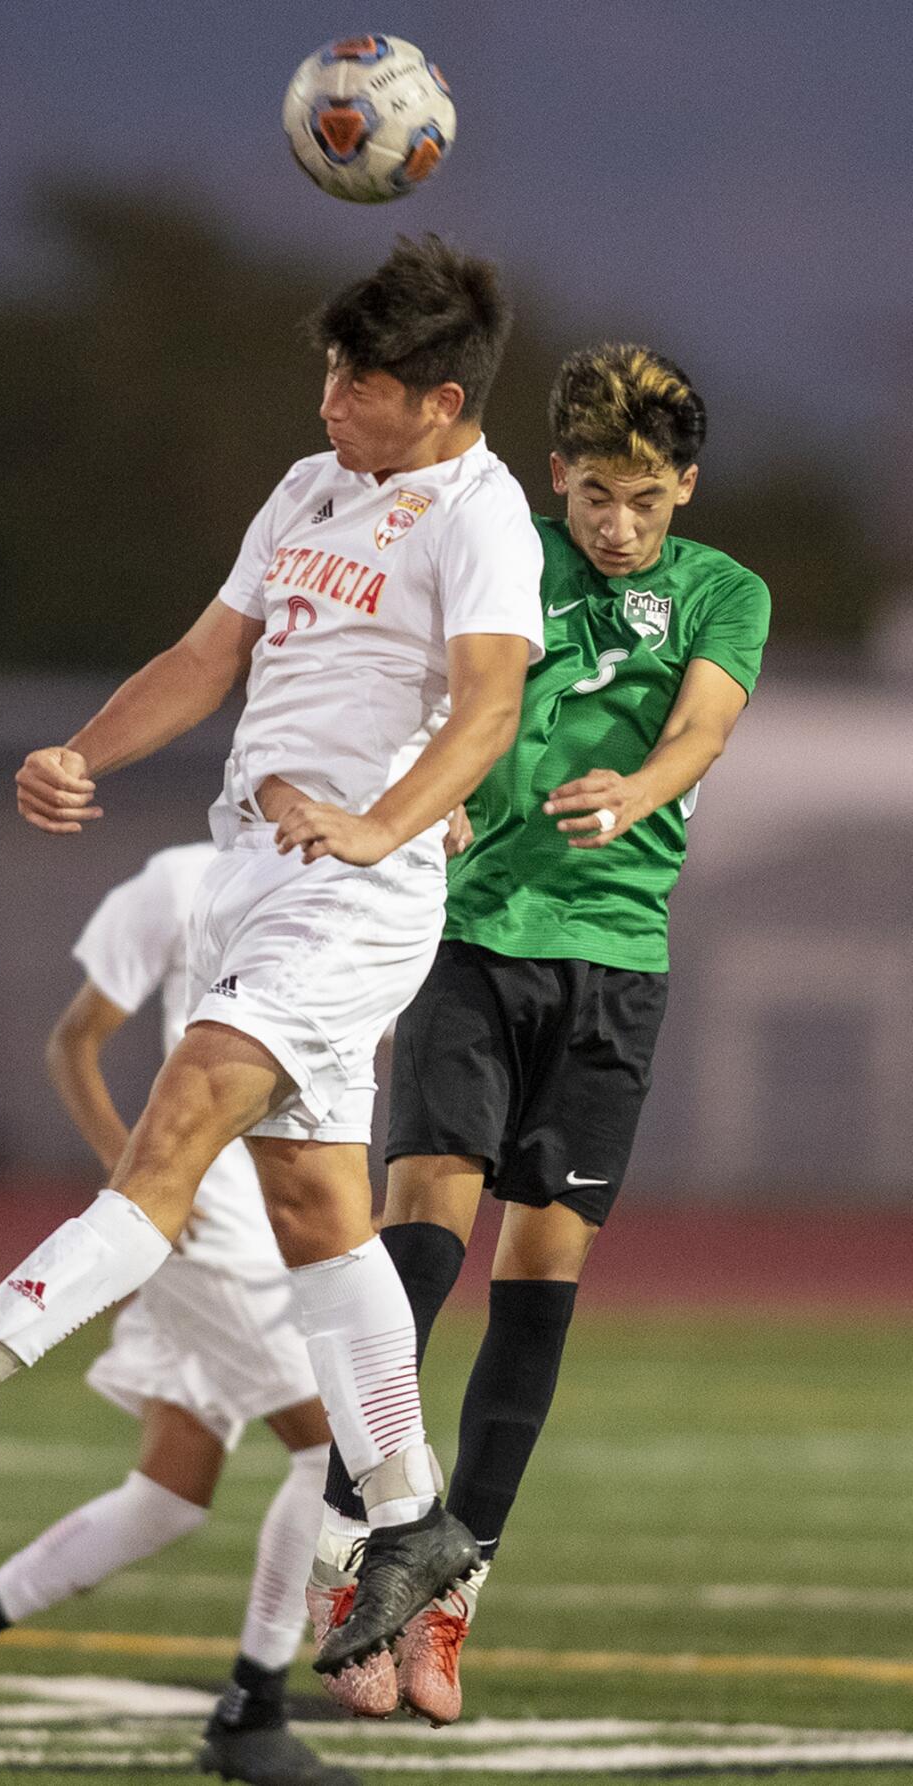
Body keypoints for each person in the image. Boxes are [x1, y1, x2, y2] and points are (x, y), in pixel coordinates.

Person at [0, 233, 546, 1676]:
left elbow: (488, 709)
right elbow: (211, 657)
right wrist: (79, 751)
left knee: (183, 1113)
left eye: (363, 381)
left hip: (352, 893)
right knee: (322, 1212)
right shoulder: (310, 484)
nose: (331, 397)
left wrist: (387, 827)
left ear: (443, 399)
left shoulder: (485, 518)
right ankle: (411, 1513)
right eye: (330, 369)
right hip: (255, 880)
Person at [308, 343, 772, 1724]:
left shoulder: (722, 593)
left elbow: (701, 733)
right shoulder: (503, 552)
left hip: (615, 969)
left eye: (640, 498)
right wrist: (429, 791)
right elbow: (427, 695)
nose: (612, 524)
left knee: (540, 1285)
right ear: (554, 474)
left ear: (683, 487)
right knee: (420, 1251)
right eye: (591, 493)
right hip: (470, 946)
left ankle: (452, 1596)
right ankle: (358, 1570)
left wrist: (635, 791)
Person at [0, 844, 359, 1786]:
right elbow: (74, 1038)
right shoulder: (184, 877)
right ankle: (251, 1710)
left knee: (166, 1498)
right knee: (329, 1452)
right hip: (213, 1226)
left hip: (264, 1218)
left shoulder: (352, 870)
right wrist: (139, 1185)